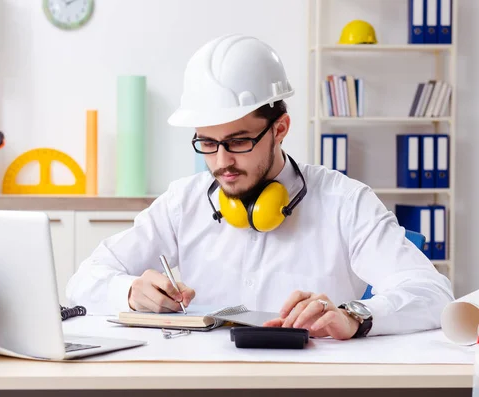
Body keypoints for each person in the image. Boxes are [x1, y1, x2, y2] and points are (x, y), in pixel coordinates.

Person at [66, 34, 454, 340]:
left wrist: (355, 315)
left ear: (280, 129)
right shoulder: (182, 202)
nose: (221, 162)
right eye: (207, 143)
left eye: (238, 142)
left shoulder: (345, 201)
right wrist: (131, 291)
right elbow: (83, 280)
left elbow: (432, 293)